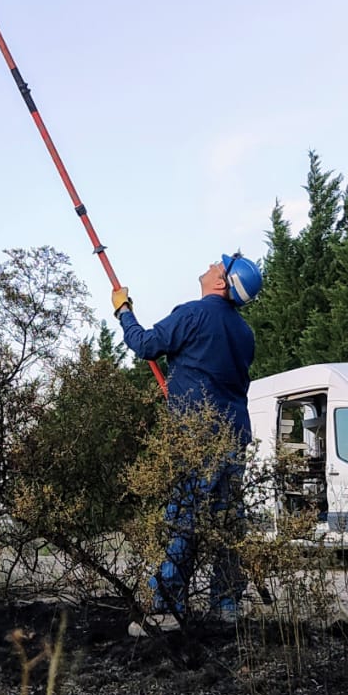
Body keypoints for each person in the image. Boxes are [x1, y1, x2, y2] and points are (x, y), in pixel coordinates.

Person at [113, 252, 263, 634]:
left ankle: (165, 611)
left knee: (184, 518)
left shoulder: (194, 313)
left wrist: (123, 311)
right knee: (228, 523)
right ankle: (226, 606)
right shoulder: (245, 334)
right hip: (232, 435)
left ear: (222, 284)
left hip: (196, 436)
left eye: (220, 265)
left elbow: (146, 345)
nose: (215, 264)